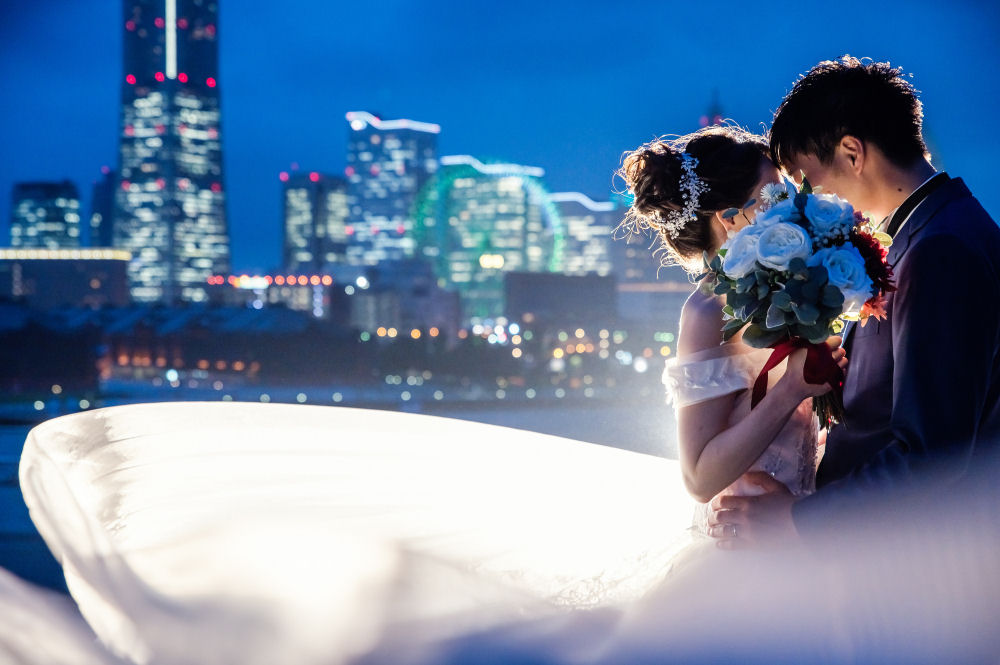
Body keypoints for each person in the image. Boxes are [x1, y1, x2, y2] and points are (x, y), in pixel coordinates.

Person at [709, 56, 1000, 546]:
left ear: (851, 151)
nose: (804, 204)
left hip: (901, 561)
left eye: (808, 180)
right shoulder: (929, 233)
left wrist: (800, 520)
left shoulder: (940, 249)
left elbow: (931, 453)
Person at [618, 126, 847, 538]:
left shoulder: (788, 289)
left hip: (799, 531)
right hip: (743, 545)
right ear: (729, 219)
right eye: (775, 194)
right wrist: (791, 390)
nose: (793, 203)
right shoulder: (706, 313)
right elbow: (699, 479)